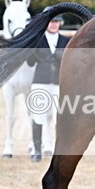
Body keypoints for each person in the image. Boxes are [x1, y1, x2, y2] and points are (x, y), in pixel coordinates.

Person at [27, 15, 69, 162]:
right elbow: (30, 63)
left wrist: (61, 56)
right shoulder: (38, 40)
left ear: (60, 23)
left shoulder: (65, 41)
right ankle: (37, 150)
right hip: (40, 82)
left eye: (56, 21)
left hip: (58, 83)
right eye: (51, 21)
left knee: (59, 117)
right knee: (38, 115)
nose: (53, 24)